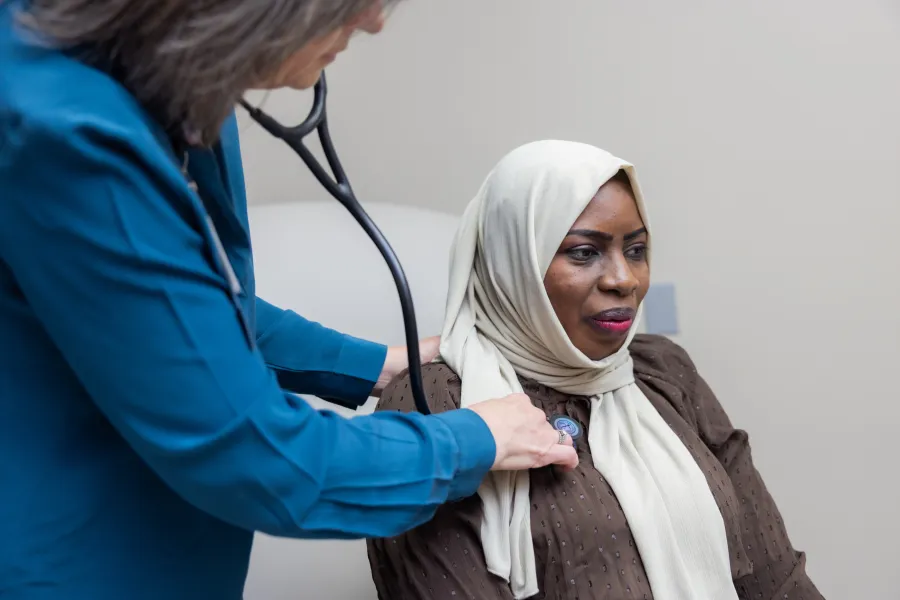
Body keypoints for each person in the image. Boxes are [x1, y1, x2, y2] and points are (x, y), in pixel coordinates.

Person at [0, 2, 579, 599]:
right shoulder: (65, 131)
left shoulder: (172, 87)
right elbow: (252, 455)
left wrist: (374, 365)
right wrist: (476, 441)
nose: (374, 22)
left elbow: (182, 308)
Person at [367, 140, 824, 600]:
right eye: (585, 252)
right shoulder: (436, 404)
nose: (624, 279)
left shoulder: (663, 371)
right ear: (514, 263)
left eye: (637, 250)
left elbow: (776, 578)